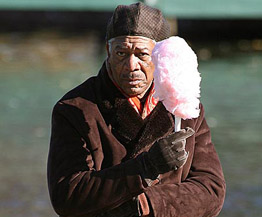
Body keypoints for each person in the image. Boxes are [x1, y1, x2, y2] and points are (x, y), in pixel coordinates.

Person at [47, 2, 226, 217]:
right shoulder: (76, 108)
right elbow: (67, 197)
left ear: (161, 56)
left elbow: (211, 190)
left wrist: (149, 204)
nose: (131, 65)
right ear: (107, 51)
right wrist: (146, 167)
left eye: (142, 54)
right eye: (121, 53)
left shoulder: (184, 109)